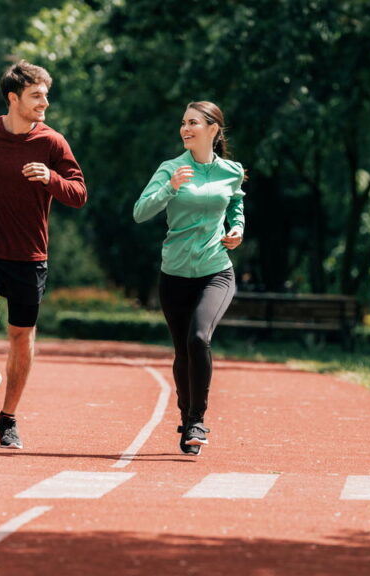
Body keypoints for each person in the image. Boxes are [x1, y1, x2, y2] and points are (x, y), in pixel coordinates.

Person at [0, 60, 88, 449]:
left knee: (21, 336)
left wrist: (51, 178)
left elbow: (79, 193)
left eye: (46, 95)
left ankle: (8, 419)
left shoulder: (52, 143)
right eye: (36, 96)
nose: (45, 103)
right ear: (14, 98)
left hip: (29, 256)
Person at [133, 101, 246, 456]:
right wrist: (169, 189)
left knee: (199, 337)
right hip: (175, 274)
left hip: (216, 270)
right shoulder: (171, 168)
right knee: (182, 349)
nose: (185, 129)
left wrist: (237, 227)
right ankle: (186, 418)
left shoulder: (231, 170)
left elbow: (236, 205)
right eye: (183, 123)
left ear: (213, 129)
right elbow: (140, 212)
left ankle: (197, 418)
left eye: (193, 123)